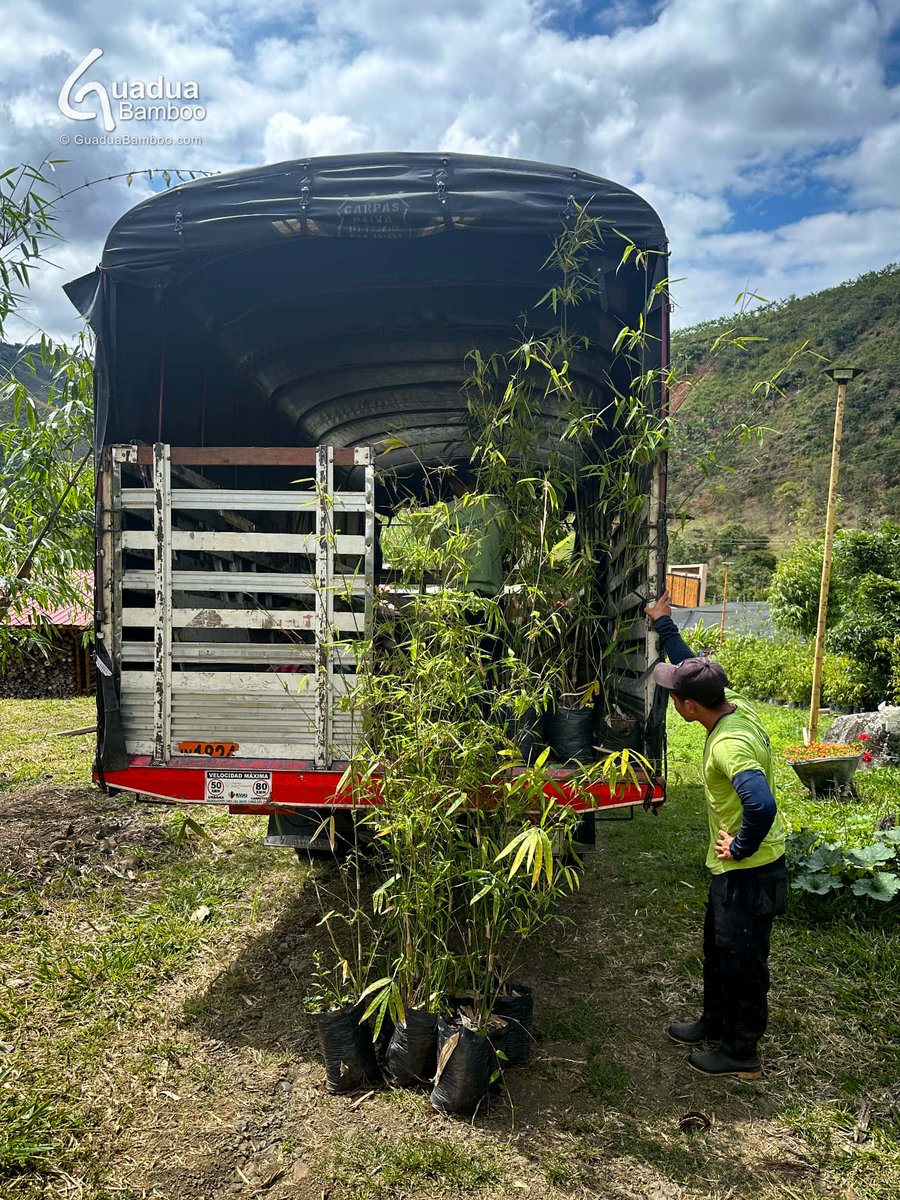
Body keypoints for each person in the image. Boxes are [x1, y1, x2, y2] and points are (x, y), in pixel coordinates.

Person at [645, 589, 787, 1080]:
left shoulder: (729, 744)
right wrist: (665, 623)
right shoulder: (734, 705)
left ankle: (741, 1052)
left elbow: (761, 802)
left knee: (745, 960)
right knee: (719, 947)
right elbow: (690, 666)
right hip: (730, 871)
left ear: (686, 708)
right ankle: (714, 1021)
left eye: (673, 695)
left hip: (750, 870)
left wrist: (742, 843)